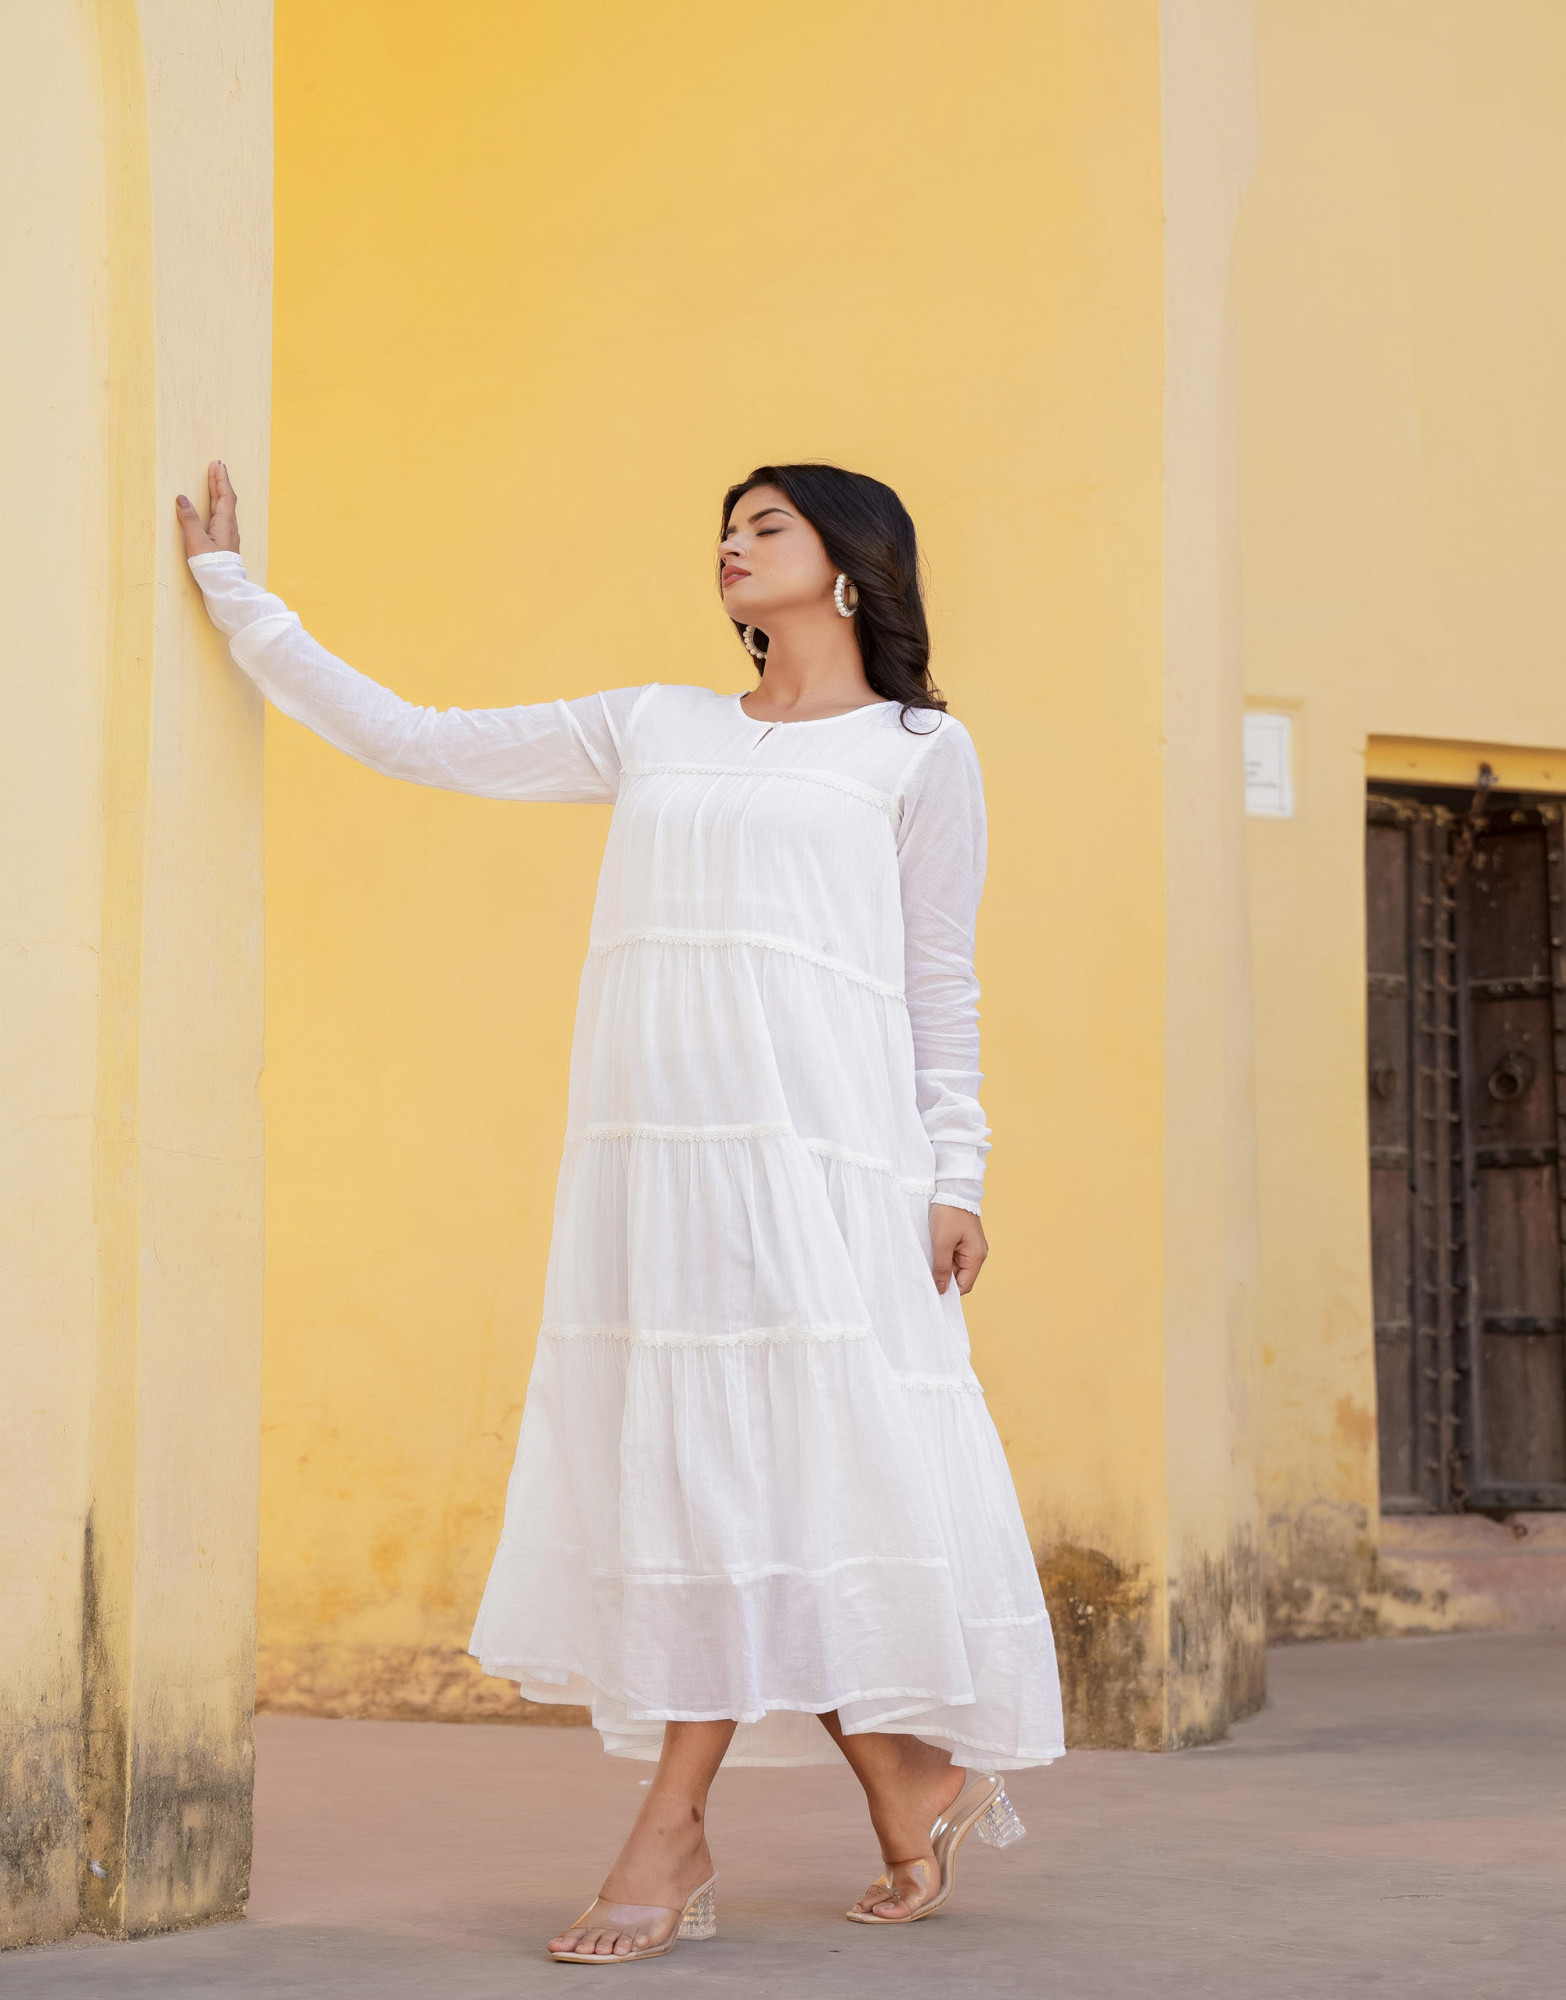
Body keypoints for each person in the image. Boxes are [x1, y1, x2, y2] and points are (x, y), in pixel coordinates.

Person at [178, 458, 1063, 1965]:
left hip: (831, 1164)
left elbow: (936, 983)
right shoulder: (655, 724)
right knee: (716, 1469)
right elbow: (415, 739)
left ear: (849, 561)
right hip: (657, 1171)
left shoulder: (917, 752)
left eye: (763, 524)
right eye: (724, 526)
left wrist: (955, 1172)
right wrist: (238, 601)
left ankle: (675, 1828)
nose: (729, 544)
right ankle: (903, 1769)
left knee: (804, 1460)